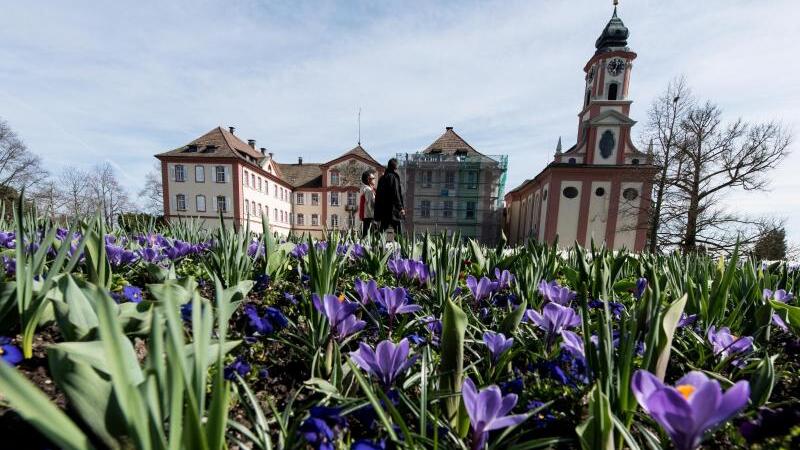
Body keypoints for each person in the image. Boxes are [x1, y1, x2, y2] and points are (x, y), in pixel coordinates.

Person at [374, 158, 405, 234]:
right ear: (395, 167)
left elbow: (378, 196)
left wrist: (377, 212)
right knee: (399, 233)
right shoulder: (393, 177)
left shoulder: (382, 178)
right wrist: (400, 208)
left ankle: (376, 245)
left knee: (382, 232)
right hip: (393, 210)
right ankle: (401, 245)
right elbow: (396, 193)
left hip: (384, 211)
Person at [358, 169, 377, 236]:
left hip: (366, 217)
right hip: (369, 217)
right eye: (373, 178)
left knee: (365, 236)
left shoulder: (364, 188)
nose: (375, 179)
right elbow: (371, 204)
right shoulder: (368, 190)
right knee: (369, 237)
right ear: (368, 179)